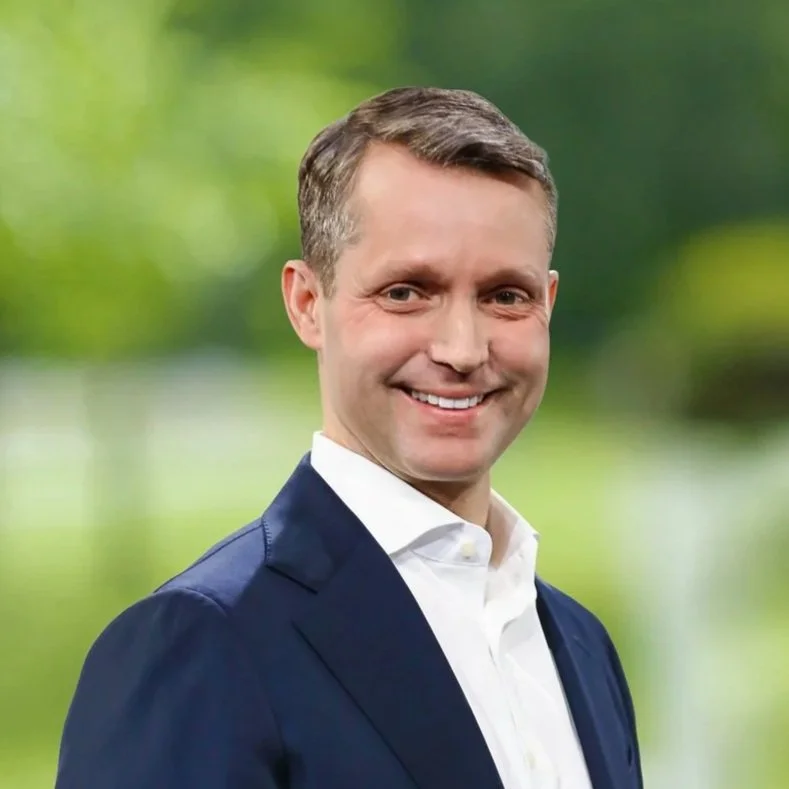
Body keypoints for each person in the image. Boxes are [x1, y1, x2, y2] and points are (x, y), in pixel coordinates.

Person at [56, 86, 643, 789]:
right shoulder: (202, 640)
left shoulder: (578, 642)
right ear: (308, 303)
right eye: (405, 291)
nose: (461, 347)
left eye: (503, 296)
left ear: (546, 305)